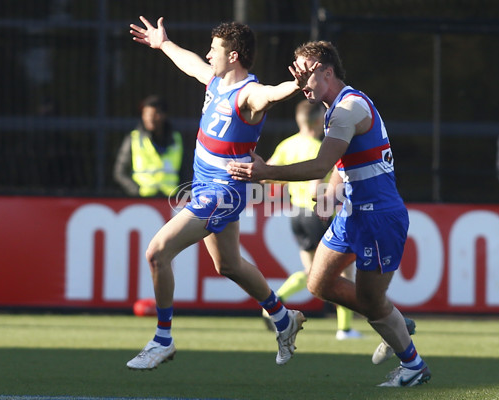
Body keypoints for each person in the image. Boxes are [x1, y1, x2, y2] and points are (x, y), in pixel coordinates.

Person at [228, 40, 431, 387]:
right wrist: (333, 189)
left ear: (327, 70)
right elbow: (342, 162)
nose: (300, 78)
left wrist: (265, 172)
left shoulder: (347, 108)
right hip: (352, 213)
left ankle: (412, 365)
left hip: (379, 216)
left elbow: (321, 163)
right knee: (317, 282)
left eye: (306, 71)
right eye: (296, 70)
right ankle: (389, 315)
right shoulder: (336, 109)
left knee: (369, 300)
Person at [125, 16, 316, 370]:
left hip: (222, 193)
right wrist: (163, 43)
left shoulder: (248, 93)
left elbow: (270, 95)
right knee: (228, 264)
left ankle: (162, 339)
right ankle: (283, 317)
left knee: (156, 253)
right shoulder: (215, 81)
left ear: (234, 56)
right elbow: (190, 63)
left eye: (215, 49)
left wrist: (295, 84)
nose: (208, 54)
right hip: (204, 186)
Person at [262, 99, 362, 340]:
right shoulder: (321, 147)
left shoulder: (288, 145)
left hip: (297, 214)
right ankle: (345, 329)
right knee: (344, 270)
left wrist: (289, 183)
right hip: (319, 213)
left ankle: (273, 304)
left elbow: (266, 176)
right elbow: (318, 184)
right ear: (319, 120)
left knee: (311, 272)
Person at [113, 95, 185, 197]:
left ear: (163, 115)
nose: (149, 118)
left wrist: (180, 193)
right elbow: (120, 172)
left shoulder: (177, 139)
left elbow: (186, 171)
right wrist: (136, 191)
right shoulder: (134, 138)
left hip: (171, 199)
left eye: (154, 114)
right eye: (146, 114)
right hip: (142, 199)